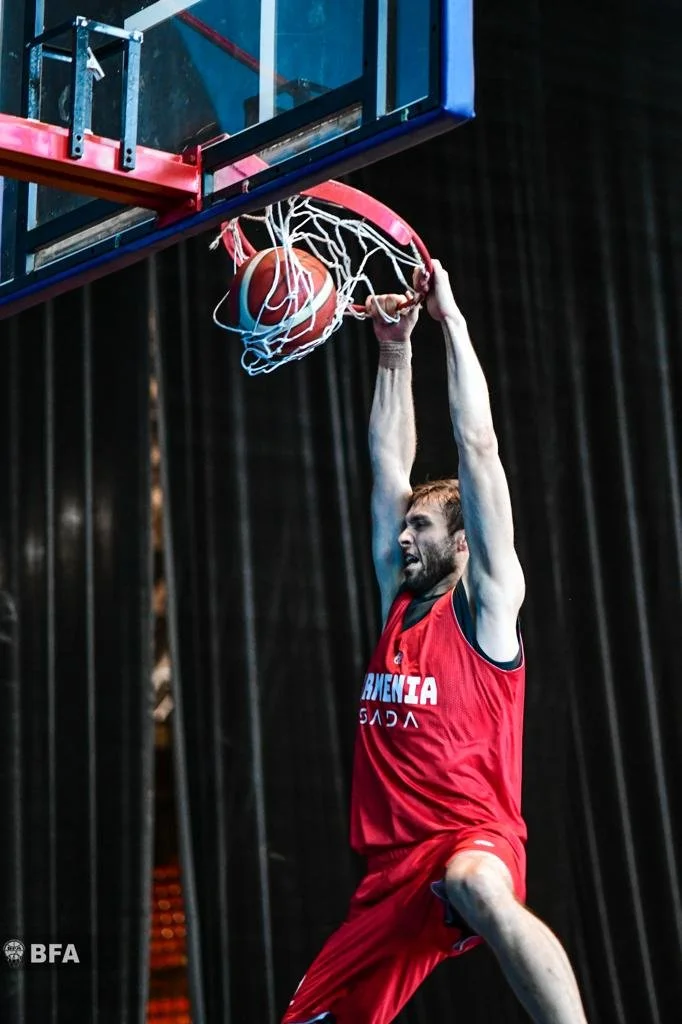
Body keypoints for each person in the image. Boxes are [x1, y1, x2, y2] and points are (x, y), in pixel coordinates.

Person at [282, 262, 587, 1024]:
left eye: (420, 526)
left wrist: (448, 324)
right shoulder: (398, 603)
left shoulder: (486, 609)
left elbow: (477, 446)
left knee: (478, 886)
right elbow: (387, 463)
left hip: (471, 842)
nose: (403, 534)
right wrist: (393, 350)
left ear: (459, 546)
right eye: (406, 523)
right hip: (389, 878)